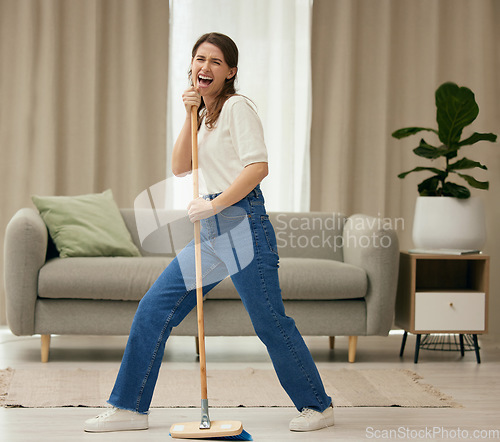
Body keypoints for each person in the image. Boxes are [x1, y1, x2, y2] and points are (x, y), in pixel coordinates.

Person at [84, 32, 334, 434]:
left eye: (217, 61)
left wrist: (215, 204)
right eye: (201, 59)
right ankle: (128, 408)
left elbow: (257, 168)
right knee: (154, 309)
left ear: (230, 72)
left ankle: (317, 406)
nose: (206, 66)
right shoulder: (204, 116)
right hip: (213, 229)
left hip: (244, 223)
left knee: (269, 322)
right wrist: (190, 114)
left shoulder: (238, 108)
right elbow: (182, 166)